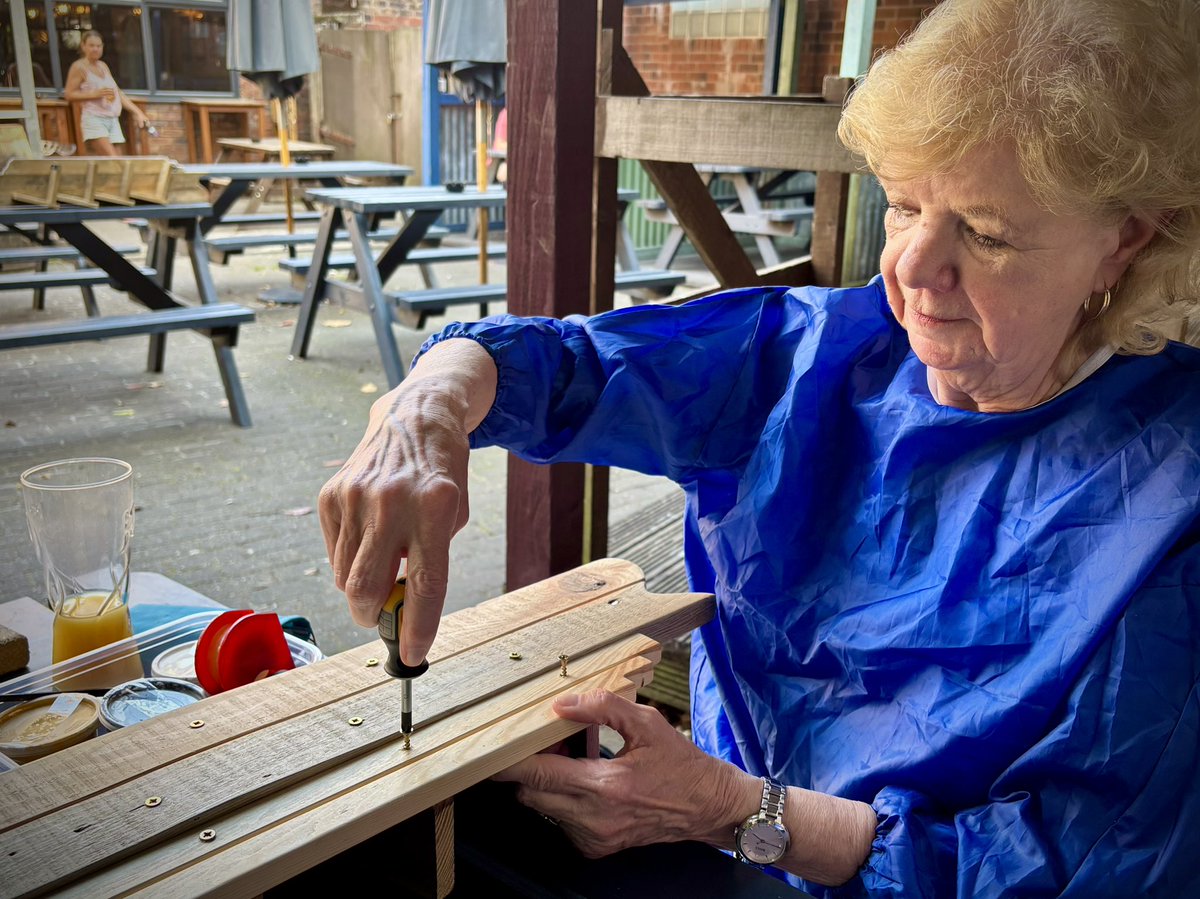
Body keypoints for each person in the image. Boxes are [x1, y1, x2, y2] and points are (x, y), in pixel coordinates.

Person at [318, 0, 1200, 894]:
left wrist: (737, 811)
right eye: (902, 204)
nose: (911, 269)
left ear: (1127, 239)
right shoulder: (818, 354)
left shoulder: (1171, 508)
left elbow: (1060, 866)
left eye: (985, 232)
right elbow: (572, 365)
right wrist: (424, 406)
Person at [63, 31, 146, 157]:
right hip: (95, 118)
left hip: (112, 119)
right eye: (91, 45)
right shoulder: (78, 67)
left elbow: (117, 93)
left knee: (120, 164)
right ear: (83, 46)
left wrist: (138, 112)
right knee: (113, 160)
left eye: (99, 46)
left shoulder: (103, 66)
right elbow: (69, 94)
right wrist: (94, 94)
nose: (95, 49)